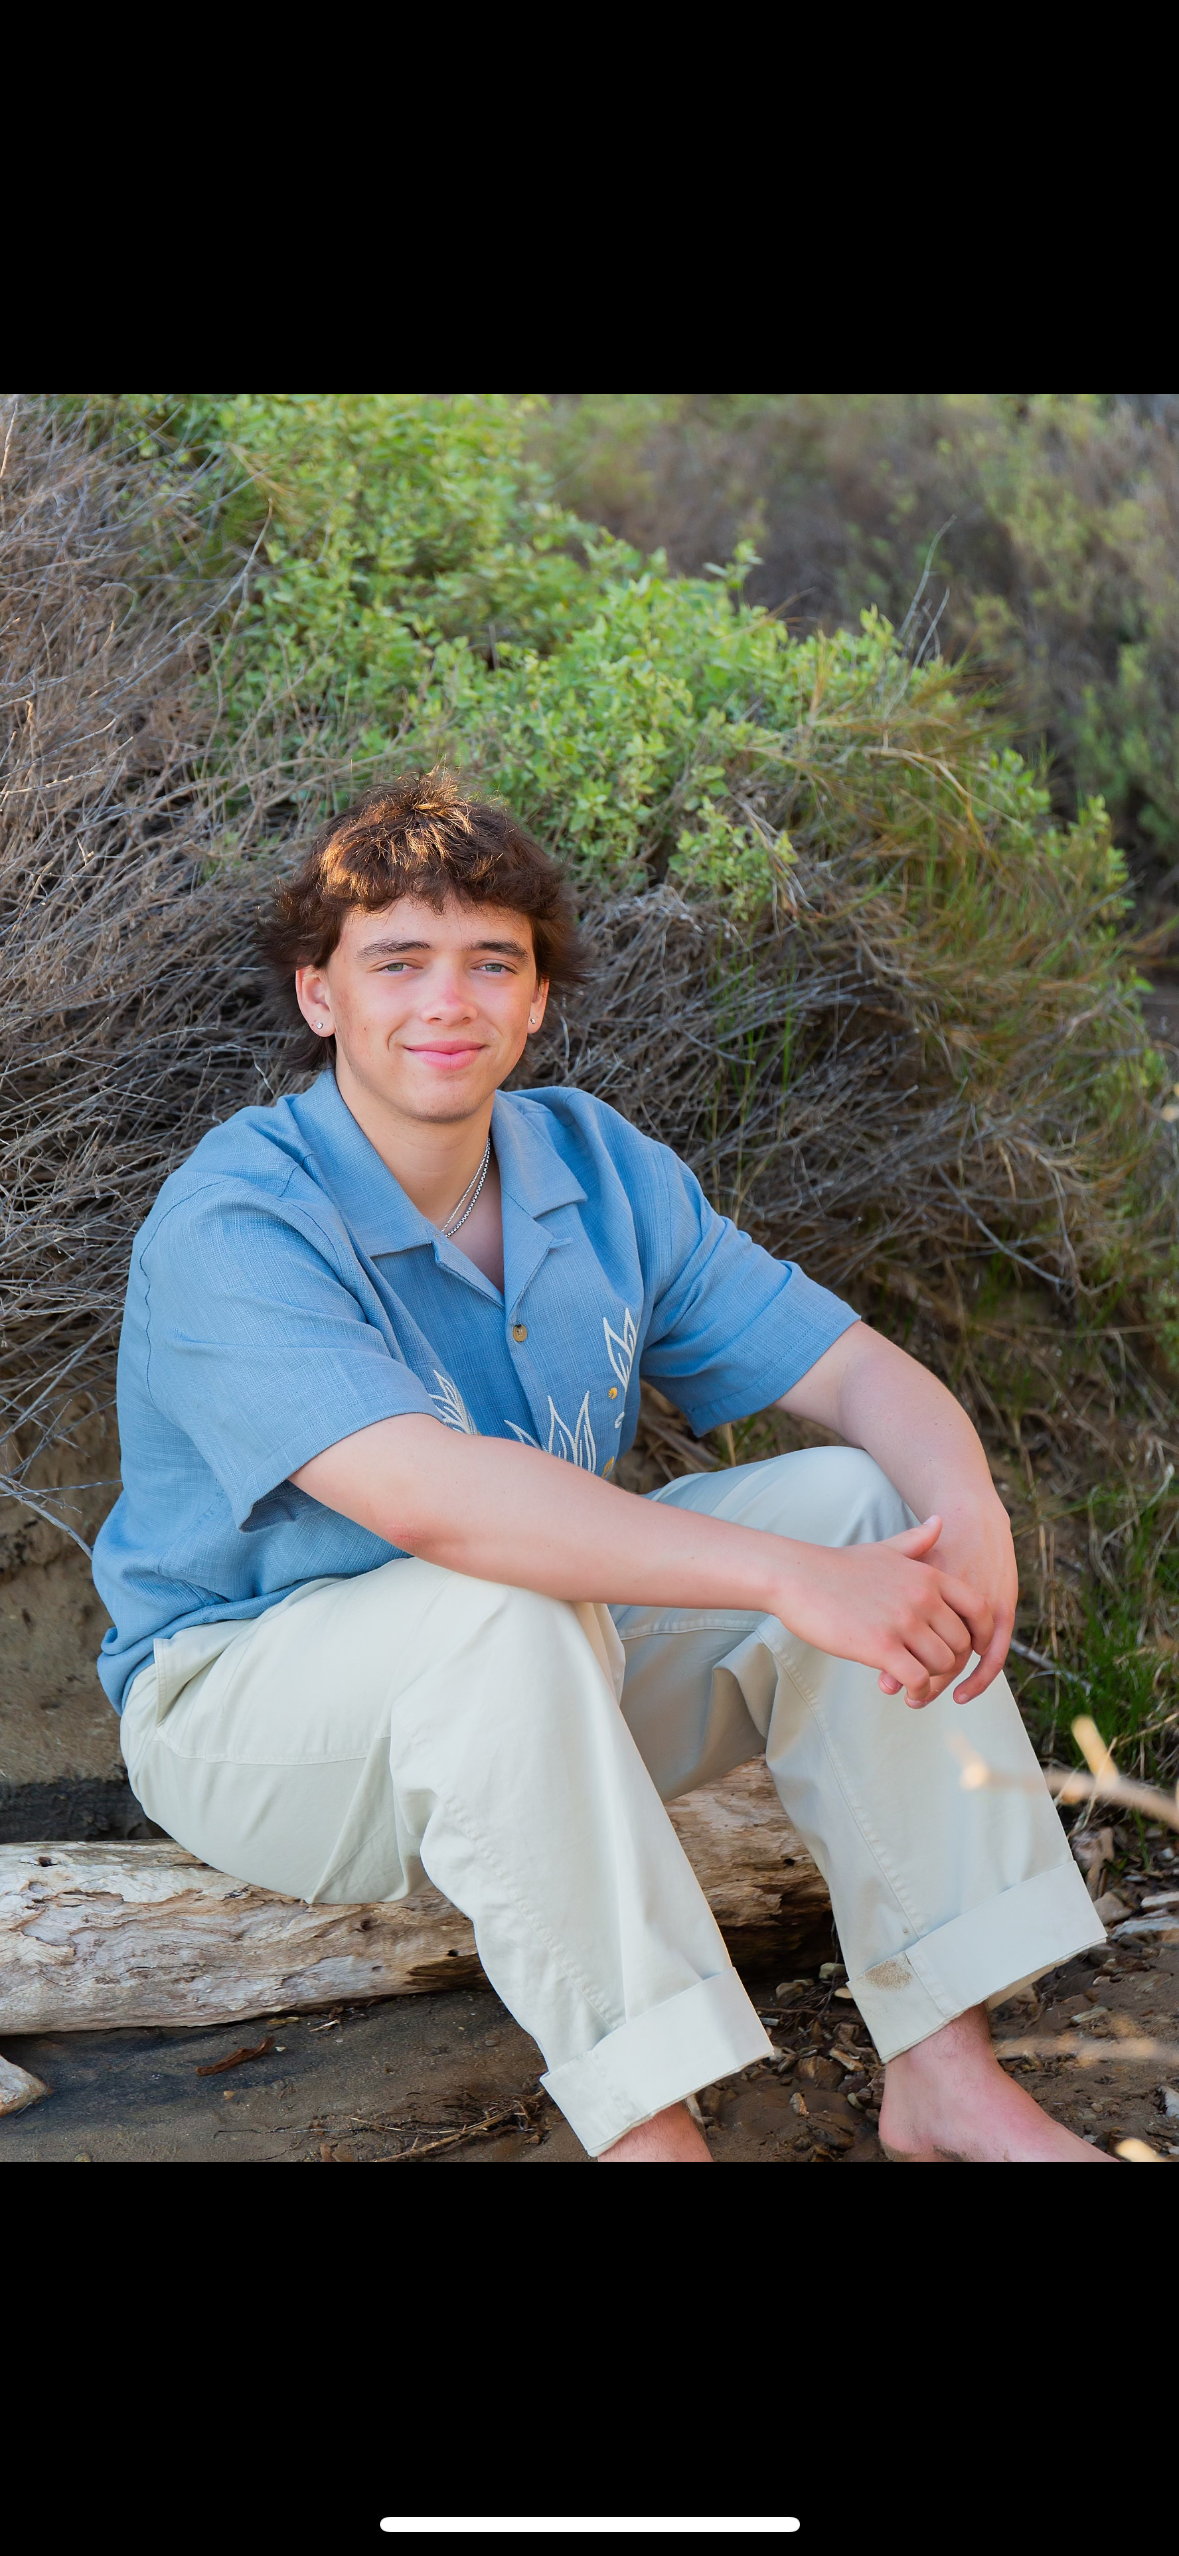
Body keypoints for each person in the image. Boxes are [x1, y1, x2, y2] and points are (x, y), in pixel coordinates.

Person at [93, 772, 1107, 2163]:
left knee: (870, 1509)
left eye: (488, 964)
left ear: (535, 1001)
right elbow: (428, 1502)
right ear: (319, 995)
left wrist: (970, 1509)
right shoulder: (237, 1216)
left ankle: (947, 2079)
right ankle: (650, 2134)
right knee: (510, 1601)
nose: (444, 1001)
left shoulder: (590, 1163)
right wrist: (779, 1578)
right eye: (396, 960)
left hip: (546, 1678)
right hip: (255, 1713)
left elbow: (857, 1371)